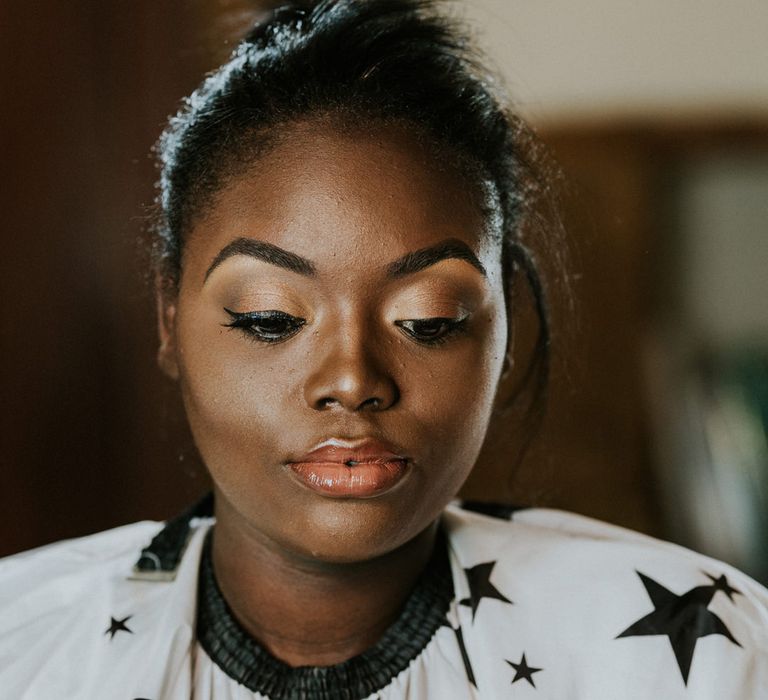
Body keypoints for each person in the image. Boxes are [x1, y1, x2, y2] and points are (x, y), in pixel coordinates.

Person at [1, 1, 766, 698]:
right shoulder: (24, 646)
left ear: (501, 330)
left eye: (429, 321)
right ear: (170, 320)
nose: (352, 381)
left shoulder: (707, 657)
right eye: (270, 318)